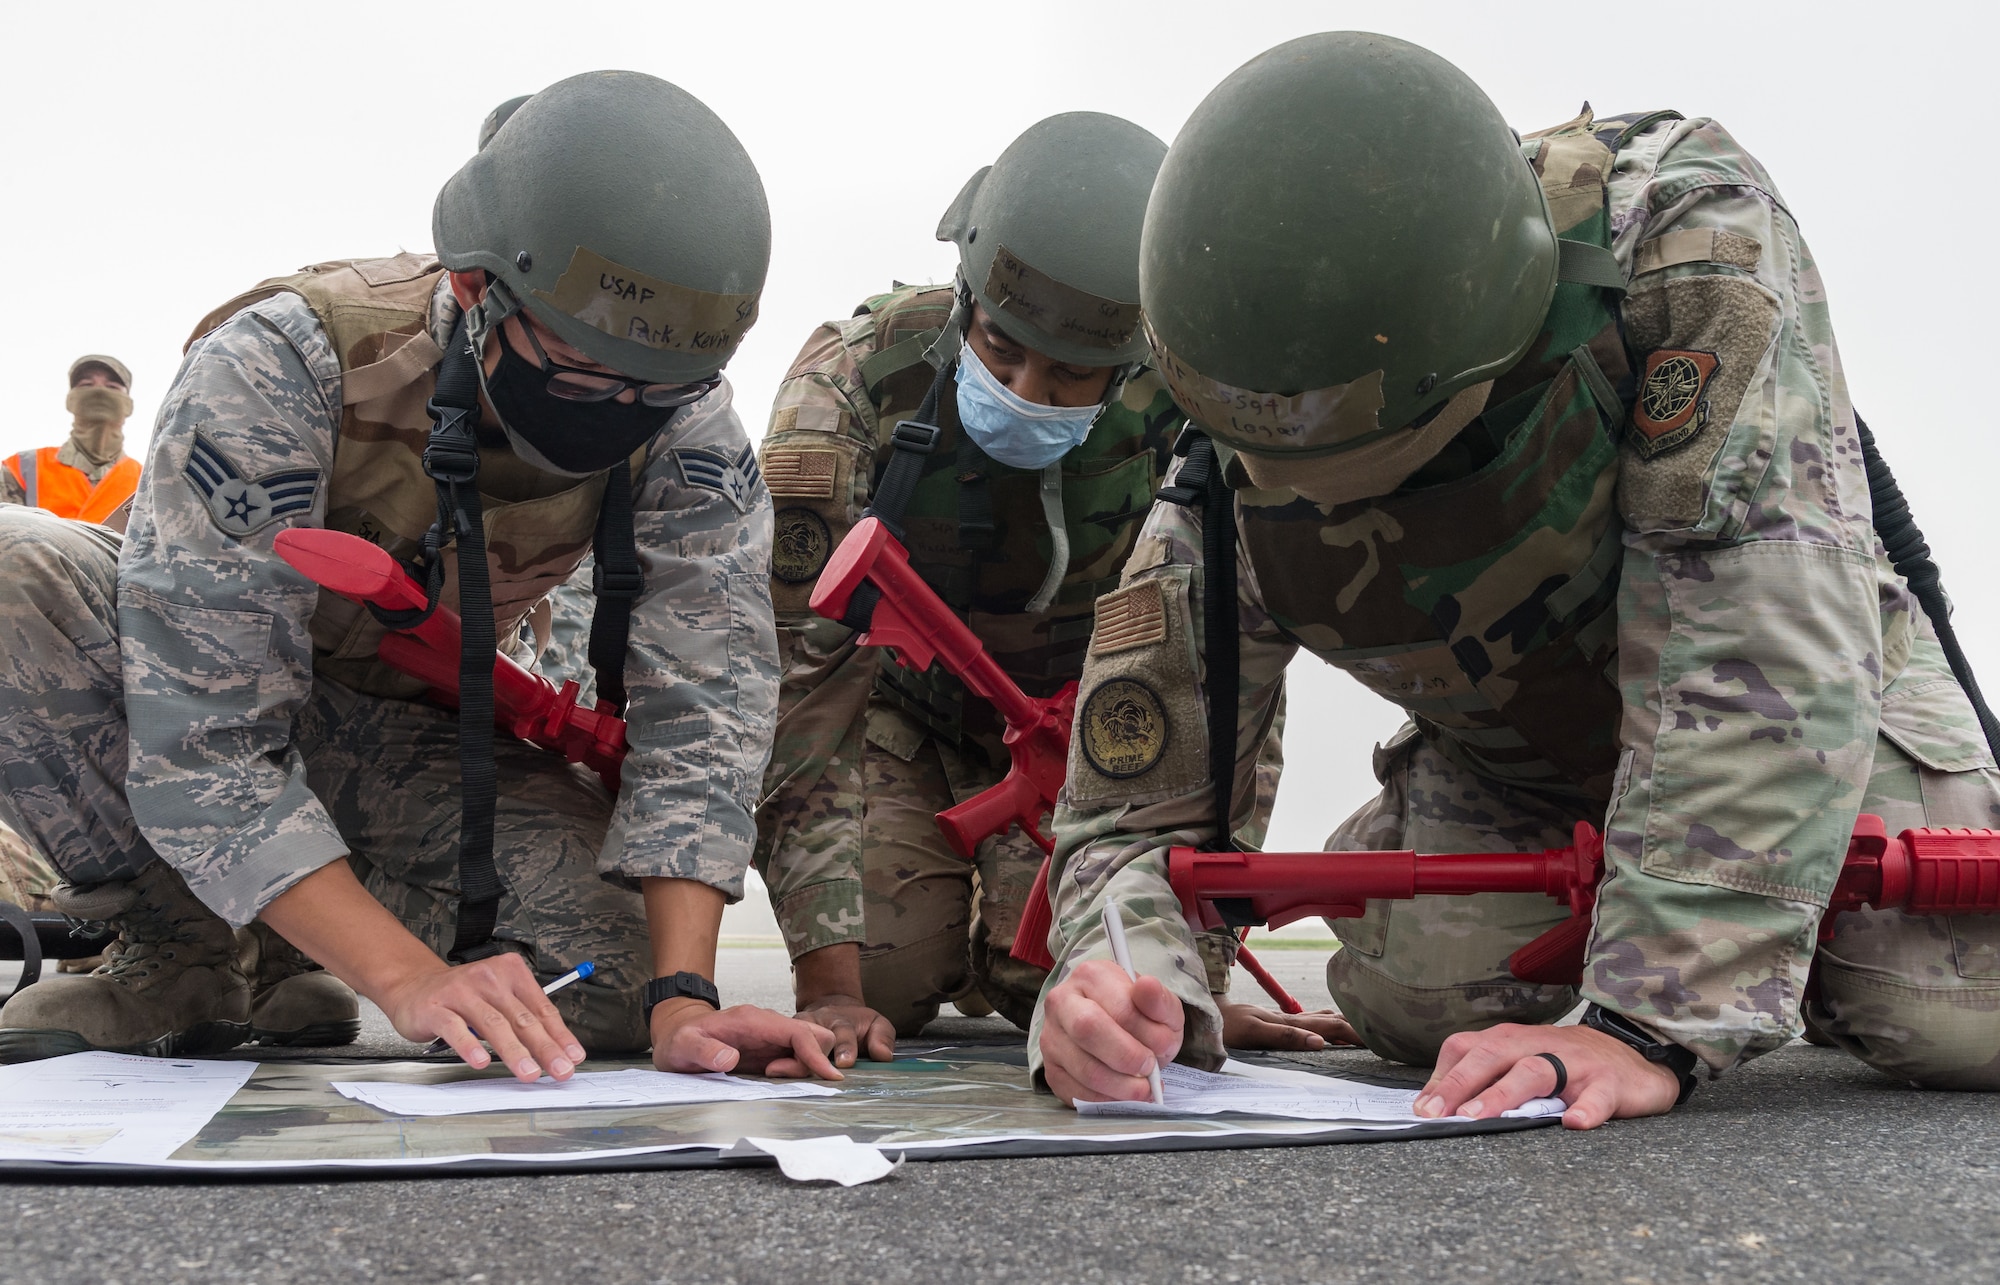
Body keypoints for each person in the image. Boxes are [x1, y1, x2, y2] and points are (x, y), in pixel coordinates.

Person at [1034, 32, 2000, 1122]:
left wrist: (1643, 1024)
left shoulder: (1674, 240)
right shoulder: (1231, 422)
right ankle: (1737, 932)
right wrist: (1127, 986)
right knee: (1418, 1006)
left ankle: (1765, 938)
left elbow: (1758, 628)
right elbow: (1132, 799)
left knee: (1934, 1004)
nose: (1322, 506)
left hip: (1818, 703)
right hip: (1521, 762)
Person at [0, 71, 837, 1084]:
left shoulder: (685, 422)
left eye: (655, 389)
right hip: (191, 691)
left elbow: (703, 714)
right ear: (479, 287)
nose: (620, 409)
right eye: (581, 374)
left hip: (415, 730)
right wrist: (405, 978)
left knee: (601, 982)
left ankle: (297, 949)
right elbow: (207, 735)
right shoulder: (289, 359)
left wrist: (681, 1000)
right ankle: (179, 956)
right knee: (16, 578)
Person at [752, 112, 1340, 1065]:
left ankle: (1006, 938)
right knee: (890, 981)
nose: (1031, 390)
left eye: (1076, 374)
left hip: (1095, 730)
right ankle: (946, 914)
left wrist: (1194, 976)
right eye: (1000, 346)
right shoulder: (856, 384)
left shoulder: (1196, 404)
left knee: (1086, 994)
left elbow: (1229, 686)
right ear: (964, 297)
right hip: (902, 723)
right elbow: (799, 685)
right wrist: (828, 983)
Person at [3, 355, 144, 532]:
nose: (99, 392)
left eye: (112, 387)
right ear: (71, 400)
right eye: (86, 385)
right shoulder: (22, 468)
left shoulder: (145, 481)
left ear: (128, 405)